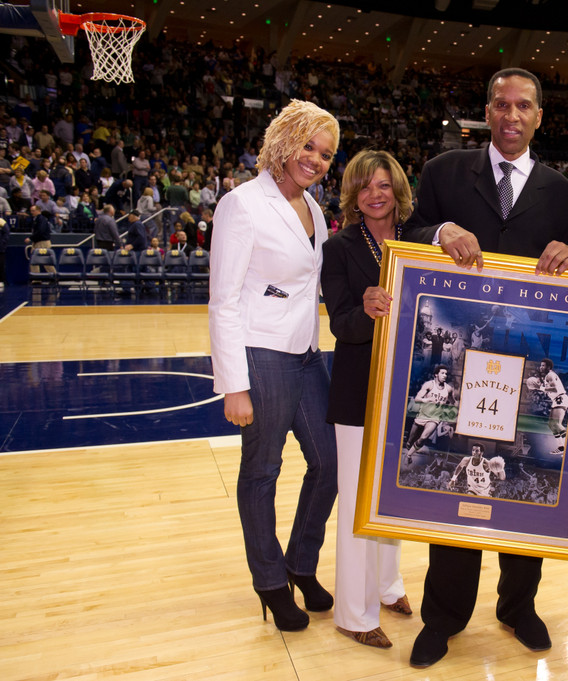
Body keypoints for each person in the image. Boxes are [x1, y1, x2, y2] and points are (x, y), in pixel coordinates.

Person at [379, 66, 568, 669]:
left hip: (528, 376)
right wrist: (440, 229)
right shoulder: (445, 172)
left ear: (539, 116)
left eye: (523, 106)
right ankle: (444, 616)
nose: (511, 115)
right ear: (486, 111)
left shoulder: (564, 193)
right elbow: (408, 231)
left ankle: (518, 606)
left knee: (527, 483)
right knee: (458, 477)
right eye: (500, 105)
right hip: (464, 371)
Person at [208, 99, 339, 633]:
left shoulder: (314, 207)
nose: (315, 159)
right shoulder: (241, 204)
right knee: (262, 472)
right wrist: (234, 385)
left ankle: (299, 563)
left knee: (330, 465)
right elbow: (224, 300)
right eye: (308, 145)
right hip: (261, 357)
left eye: (326, 153)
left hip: (308, 355)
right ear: (283, 139)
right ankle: (269, 582)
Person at [321, 149, 413, 650]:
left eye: (382, 184)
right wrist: (365, 309)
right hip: (358, 387)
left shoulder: (420, 241)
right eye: (363, 186)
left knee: (392, 497)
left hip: (408, 390)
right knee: (359, 500)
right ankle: (354, 613)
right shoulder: (339, 249)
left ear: (396, 188)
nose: (374, 194)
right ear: (353, 195)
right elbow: (340, 323)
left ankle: (387, 585)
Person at [403, 364, 456, 464]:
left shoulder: (448, 389)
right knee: (410, 442)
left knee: (423, 437)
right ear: (436, 375)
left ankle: (408, 455)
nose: (445, 375)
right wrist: (428, 399)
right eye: (442, 373)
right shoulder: (429, 385)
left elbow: (453, 403)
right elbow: (418, 399)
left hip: (434, 418)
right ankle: (409, 452)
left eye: (446, 374)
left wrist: (446, 410)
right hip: (422, 415)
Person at [527, 358, 568, 456]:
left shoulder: (550, 375)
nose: (541, 367)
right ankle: (561, 447)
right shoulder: (547, 377)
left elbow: (555, 389)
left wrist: (540, 388)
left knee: (557, 423)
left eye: (543, 365)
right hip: (556, 400)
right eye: (541, 365)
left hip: (560, 398)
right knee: (551, 425)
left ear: (549, 367)